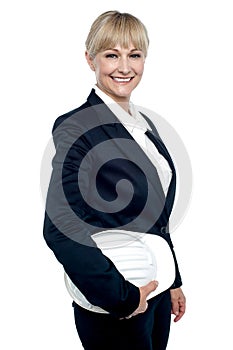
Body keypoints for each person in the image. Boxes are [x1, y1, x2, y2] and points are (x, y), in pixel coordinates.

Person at [43, 10, 186, 350]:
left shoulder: (143, 126)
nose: (125, 67)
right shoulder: (78, 127)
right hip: (117, 305)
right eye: (112, 55)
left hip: (155, 292)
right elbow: (60, 225)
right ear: (90, 58)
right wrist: (120, 297)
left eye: (134, 55)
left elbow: (155, 216)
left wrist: (173, 278)